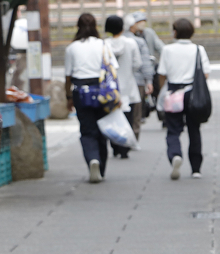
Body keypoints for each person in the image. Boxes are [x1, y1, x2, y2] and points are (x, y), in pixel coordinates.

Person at [64, 13, 119, 183]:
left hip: (81, 91)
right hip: (102, 91)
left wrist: (68, 97)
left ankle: (92, 159)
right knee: (102, 129)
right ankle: (100, 168)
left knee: (87, 131)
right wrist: (118, 95)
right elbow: (113, 71)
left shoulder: (72, 48)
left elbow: (68, 76)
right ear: (96, 26)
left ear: (78, 26)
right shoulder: (103, 45)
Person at [157, 18, 210, 180]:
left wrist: (162, 91)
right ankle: (196, 168)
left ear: (175, 32)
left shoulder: (167, 50)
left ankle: (175, 155)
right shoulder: (198, 50)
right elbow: (206, 73)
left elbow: (162, 74)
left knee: (173, 129)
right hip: (192, 93)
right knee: (194, 130)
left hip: (173, 92)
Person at [104, 16, 142, 158]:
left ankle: (115, 145)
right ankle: (125, 148)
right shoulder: (131, 43)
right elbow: (137, 64)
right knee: (128, 117)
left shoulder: (104, 44)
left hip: (110, 88)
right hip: (129, 86)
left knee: (113, 117)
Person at [124, 12, 161, 118]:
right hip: (137, 74)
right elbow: (140, 62)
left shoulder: (149, 33)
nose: (142, 24)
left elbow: (159, 47)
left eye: (143, 21)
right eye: (139, 22)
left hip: (147, 68)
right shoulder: (135, 40)